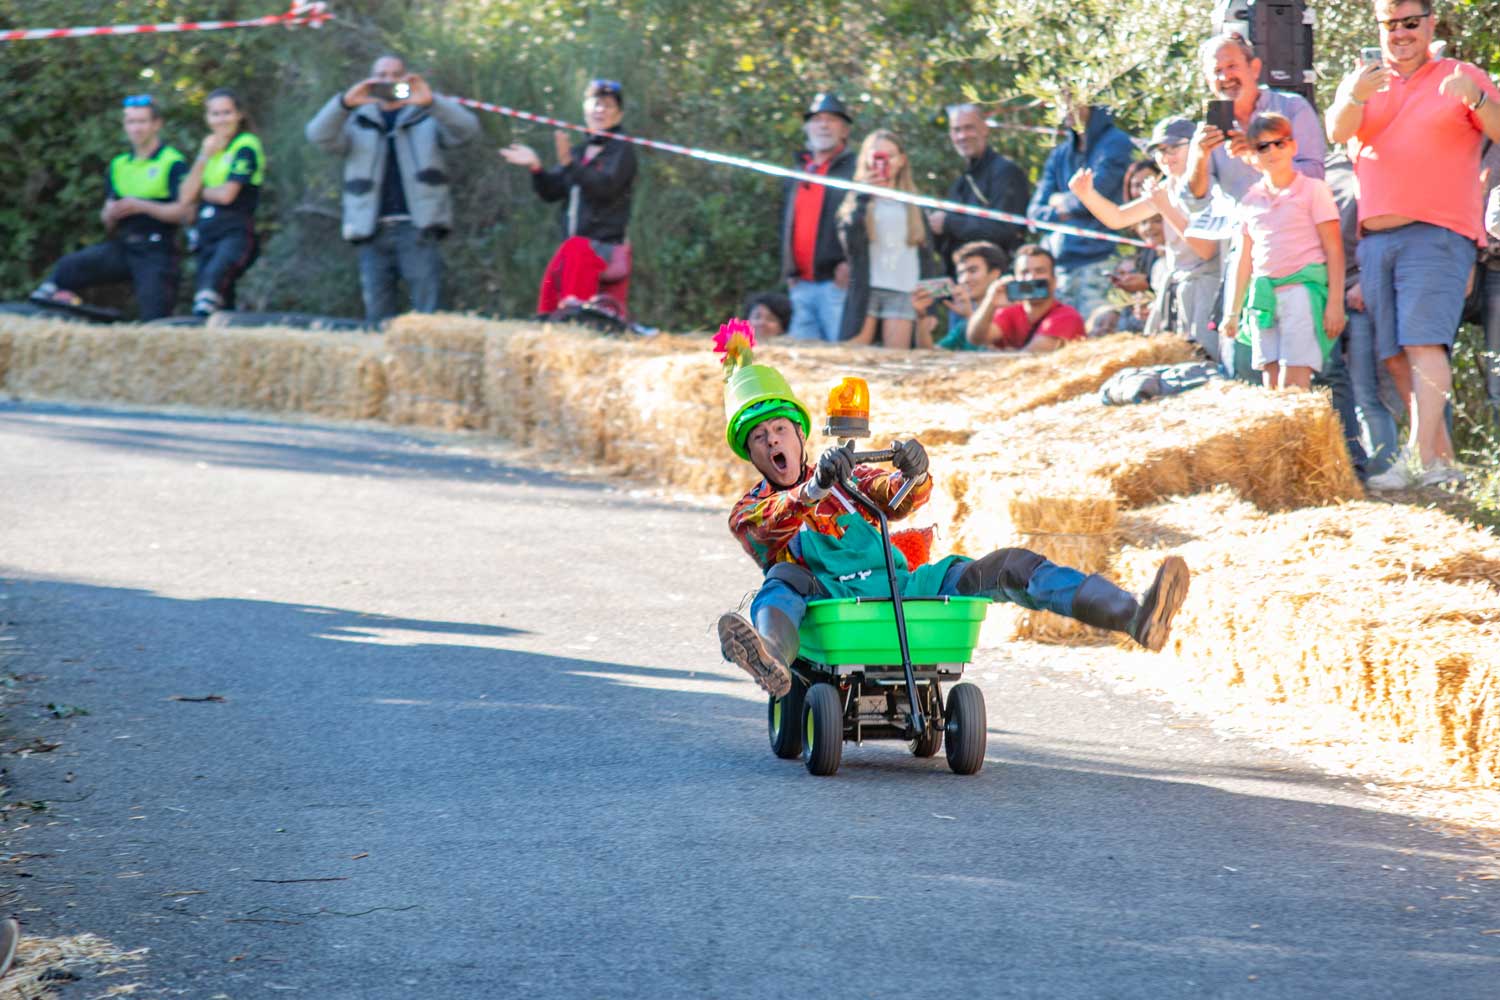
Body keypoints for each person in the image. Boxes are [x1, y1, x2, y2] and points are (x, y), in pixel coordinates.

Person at [708, 320, 1190, 698]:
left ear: (799, 434)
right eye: (759, 437)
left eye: (780, 430)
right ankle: (770, 658)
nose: (773, 440)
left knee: (1009, 566)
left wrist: (915, 473)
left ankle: (1132, 615)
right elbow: (767, 526)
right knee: (781, 582)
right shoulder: (751, 509)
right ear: (752, 455)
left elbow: (898, 501)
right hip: (826, 603)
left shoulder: (850, 477)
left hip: (900, 586)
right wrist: (812, 490)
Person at [1326, 0, 1500, 488]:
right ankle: (1442, 467)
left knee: (1424, 344)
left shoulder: (1462, 74)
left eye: (1409, 22)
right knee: (1396, 356)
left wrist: (1477, 100)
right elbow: (1336, 131)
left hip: (1437, 233)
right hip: (1376, 241)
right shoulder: (1363, 78)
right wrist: (1354, 96)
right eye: (1390, 24)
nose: (1399, 33)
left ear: (1429, 24)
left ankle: (1418, 461)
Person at [305, 53, 480, 324]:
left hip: (418, 227)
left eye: (397, 76)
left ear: (408, 79)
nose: (389, 82)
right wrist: (343, 104)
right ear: (370, 80)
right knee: (377, 316)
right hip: (371, 229)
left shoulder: (426, 116)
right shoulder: (355, 121)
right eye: (382, 76)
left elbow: (467, 130)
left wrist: (432, 101)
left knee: (427, 313)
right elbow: (318, 135)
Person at [31, 95, 188, 321]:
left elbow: (182, 213)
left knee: (156, 318)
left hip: (156, 248)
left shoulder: (172, 162)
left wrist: (141, 206)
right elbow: (108, 218)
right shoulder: (118, 164)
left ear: (156, 124)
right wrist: (110, 214)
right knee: (69, 266)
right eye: (131, 122)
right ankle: (52, 307)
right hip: (123, 246)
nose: (136, 128)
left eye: (142, 122)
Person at [1069, 116, 1221, 350]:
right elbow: (1118, 218)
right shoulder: (1166, 187)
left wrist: (1165, 208)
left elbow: (1206, 250)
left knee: (1207, 360)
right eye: (1159, 150)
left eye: (1173, 148)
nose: (1166, 157)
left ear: (1195, 146)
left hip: (1207, 290)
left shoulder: (1211, 185)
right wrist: (1087, 195)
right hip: (1178, 288)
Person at [1219, 113, 1346, 392]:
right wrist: (1232, 312)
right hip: (1263, 296)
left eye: (1279, 143)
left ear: (1292, 146)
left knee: (1295, 385)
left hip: (1302, 290)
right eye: (1263, 146)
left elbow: (1334, 249)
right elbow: (1244, 258)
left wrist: (1335, 302)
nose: (1272, 151)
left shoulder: (1314, 190)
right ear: (1253, 153)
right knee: (1271, 384)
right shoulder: (1251, 199)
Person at [501, 79, 637, 317]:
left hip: (602, 245)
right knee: (551, 296)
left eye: (608, 106)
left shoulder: (622, 149)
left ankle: (574, 323)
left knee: (574, 311)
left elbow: (605, 187)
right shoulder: (578, 152)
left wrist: (570, 164)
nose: (600, 110)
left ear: (619, 115)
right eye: (596, 104)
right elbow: (551, 192)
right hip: (574, 247)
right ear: (585, 109)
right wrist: (536, 166)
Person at [1327, 148, 1404, 478]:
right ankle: (1369, 461)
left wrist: (1364, 283)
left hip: (1367, 291)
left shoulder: (1386, 162)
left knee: (1374, 389)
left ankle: (1386, 463)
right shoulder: (1325, 169)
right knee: (1353, 388)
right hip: (1332, 293)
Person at [1185, 33, 1326, 205]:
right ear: (1208, 81)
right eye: (1217, 71)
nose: (1225, 77)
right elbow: (1194, 204)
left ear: (1254, 69)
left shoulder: (1292, 107)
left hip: (1293, 224)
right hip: (1239, 228)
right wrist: (1200, 158)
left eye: (1232, 66)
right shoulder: (1208, 131)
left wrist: (1258, 155)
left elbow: (1315, 174)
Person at [1026, 102, 1137, 320]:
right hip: (1061, 268)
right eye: (1058, 99)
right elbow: (1034, 213)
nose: (1065, 106)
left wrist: (1060, 201)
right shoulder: (1060, 154)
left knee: (1099, 337)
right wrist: (1072, 204)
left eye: (1070, 97)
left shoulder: (1116, 143)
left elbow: (1098, 193)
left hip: (1102, 261)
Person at [836, 130, 940, 348]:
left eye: (890, 156)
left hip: (904, 291)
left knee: (895, 359)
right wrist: (862, 195)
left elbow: (927, 258)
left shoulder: (913, 204)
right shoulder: (856, 201)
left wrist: (931, 308)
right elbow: (850, 243)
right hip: (866, 292)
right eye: (877, 156)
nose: (884, 162)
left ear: (902, 160)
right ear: (866, 159)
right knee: (856, 356)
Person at [175, 89, 264, 316]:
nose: (221, 119)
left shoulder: (246, 145)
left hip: (235, 230)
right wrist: (204, 156)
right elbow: (185, 197)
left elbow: (227, 195)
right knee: (220, 302)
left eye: (227, 113)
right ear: (207, 118)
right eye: (215, 114)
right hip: (207, 233)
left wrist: (201, 192)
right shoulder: (210, 148)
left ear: (239, 115)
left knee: (210, 290)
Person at [780, 94, 857, 342]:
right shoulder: (798, 170)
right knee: (802, 362)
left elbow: (866, 222)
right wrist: (789, 271)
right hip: (800, 285)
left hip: (837, 285)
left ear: (844, 130)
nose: (824, 125)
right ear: (807, 128)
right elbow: (785, 223)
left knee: (842, 362)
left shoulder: (855, 170)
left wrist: (850, 264)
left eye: (832, 120)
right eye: (817, 120)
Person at [928, 103, 1031, 273]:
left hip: (998, 280)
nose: (962, 136)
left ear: (985, 128)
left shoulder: (1005, 172)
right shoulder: (961, 182)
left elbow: (1006, 229)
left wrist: (948, 223)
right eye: (956, 130)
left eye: (969, 128)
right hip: (964, 283)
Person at [966, 244, 1087, 352]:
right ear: (1015, 279)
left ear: (1054, 281)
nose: (1031, 278)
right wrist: (990, 302)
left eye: (1040, 271)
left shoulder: (1067, 317)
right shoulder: (1010, 311)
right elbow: (976, 338)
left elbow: (1031, 357)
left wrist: (1004, 353)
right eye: (1024, 272)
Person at [911, 240, 1008, 352]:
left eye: (973, 270)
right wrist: (921, 317)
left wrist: (969, 315)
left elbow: (1000, 357)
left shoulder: (1012, 313)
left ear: (995, 273)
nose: (964, 279)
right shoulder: (964, 324)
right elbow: (930, 356)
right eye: (960, 273)